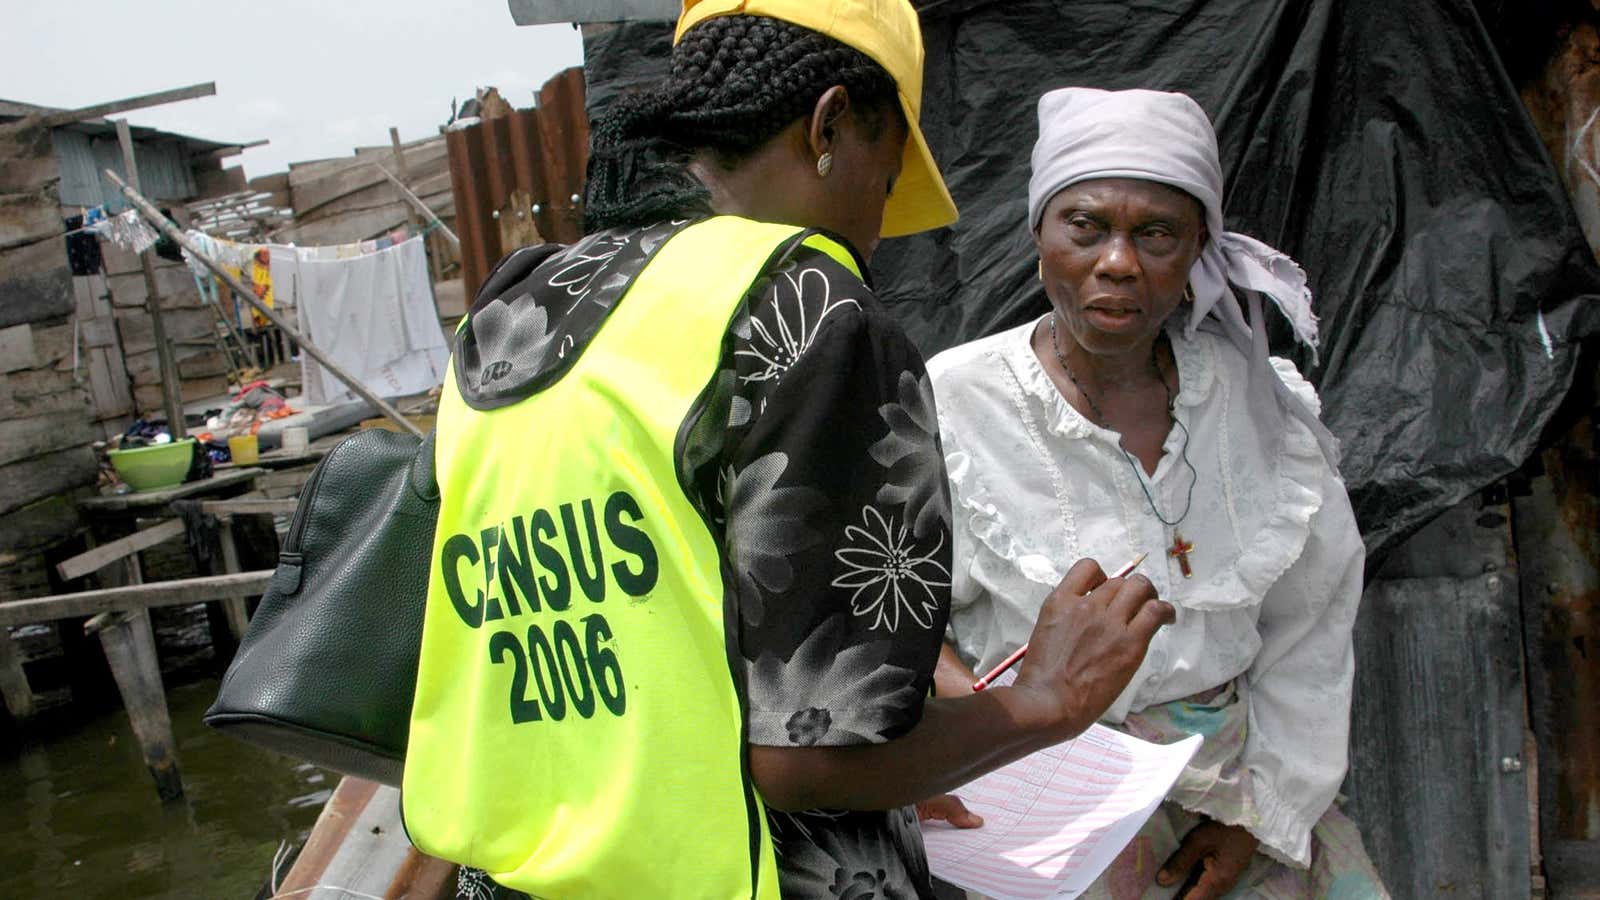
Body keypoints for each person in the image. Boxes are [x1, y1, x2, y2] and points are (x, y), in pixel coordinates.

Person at [401, 6, 1174, 899]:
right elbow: (803, 765)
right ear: (829, 125)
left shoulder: (521, 305)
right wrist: (1047, 702)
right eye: (884, 187)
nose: (878, 234)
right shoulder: (811, 309)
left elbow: (643, 642)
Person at [927, 87, 1389, 899]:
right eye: (1087, 226)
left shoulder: (1258, 406)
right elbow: (880, 605)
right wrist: (987, 722)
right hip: (1037, 794)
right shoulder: (954, 402)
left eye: (1156, 234)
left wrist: (1258, 813)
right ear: (1039, 236)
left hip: (1234, 787)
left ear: (1197, 252)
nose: (1119, 262)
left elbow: (1311, 623)